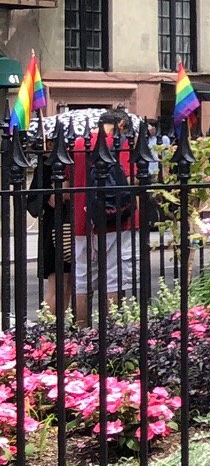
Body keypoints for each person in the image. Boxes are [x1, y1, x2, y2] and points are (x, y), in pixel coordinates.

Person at [69, 111, 145, 321]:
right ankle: (111, 332)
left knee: (82, 279)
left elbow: (66, 187)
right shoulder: (119, 144)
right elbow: (131, 179)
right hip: (118, 219)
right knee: (115, 277)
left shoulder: (77, 144)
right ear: (121, 124)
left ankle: (82, 334)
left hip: (83, 220)